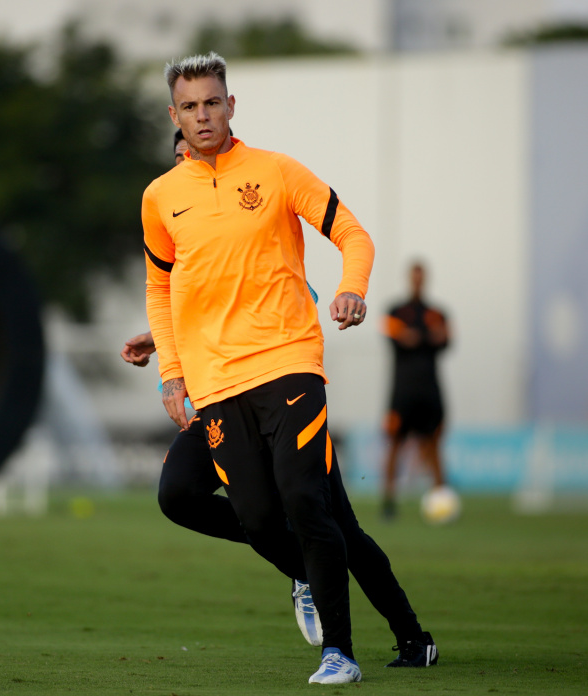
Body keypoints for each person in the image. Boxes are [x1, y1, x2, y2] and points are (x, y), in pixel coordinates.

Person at [141, 52, 437, 685]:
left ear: (230, 104)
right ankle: (402, 629)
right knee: (275, 520)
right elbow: (166, 290)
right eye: (189, 107)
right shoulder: (160, 199)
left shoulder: (274, 172)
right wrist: (168, 366)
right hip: (219, 385)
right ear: (174, 115)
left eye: (212, 102)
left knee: (308, 504)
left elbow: (353, 233)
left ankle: (341, 653)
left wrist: (352, 286)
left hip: (289, 365)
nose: (202, 116)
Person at [124, 129, 323, 647]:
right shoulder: (171, 210)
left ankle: (405, 635)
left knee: (323, 514)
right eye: (179, 157)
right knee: (179, 495)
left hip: (271, 385)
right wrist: (161, 344)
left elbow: (291, 291)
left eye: (192, 152)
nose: (188, 160)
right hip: (215, 397)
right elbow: (179, 296)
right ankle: (301, 563)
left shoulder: (254, 197)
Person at [380, 261, 451, 520]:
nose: (418, 281)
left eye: (422, 277)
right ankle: (388, 501)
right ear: (409, 278)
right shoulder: (395, 311)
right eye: (415, 277)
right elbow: (398, 337)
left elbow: (444, 339)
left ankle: (442, 500)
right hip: (402, 391)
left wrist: (415, 337)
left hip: (430, 390)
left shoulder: (438, 312)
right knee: (395, 444)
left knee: (433, 444)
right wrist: (424, 337)